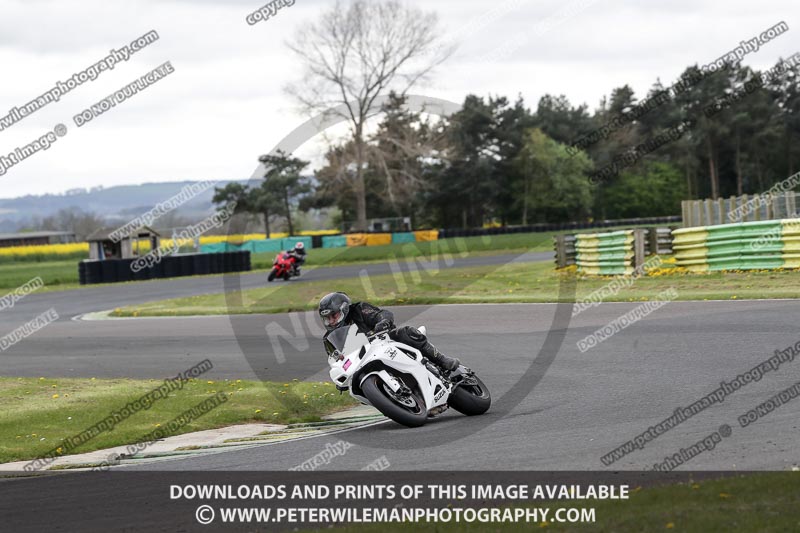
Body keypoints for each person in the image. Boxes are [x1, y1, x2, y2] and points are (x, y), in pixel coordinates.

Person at [317, 292, 460, 372]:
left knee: (406, 332)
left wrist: (383, 322)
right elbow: (334, 360)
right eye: (327, 318)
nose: (331, 321)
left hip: (385, 342)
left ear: (344, 309)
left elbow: (382, 314)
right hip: (362, 361)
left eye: (333, 316)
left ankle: (441, 360)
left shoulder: (359, 310)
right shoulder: (328, 339)